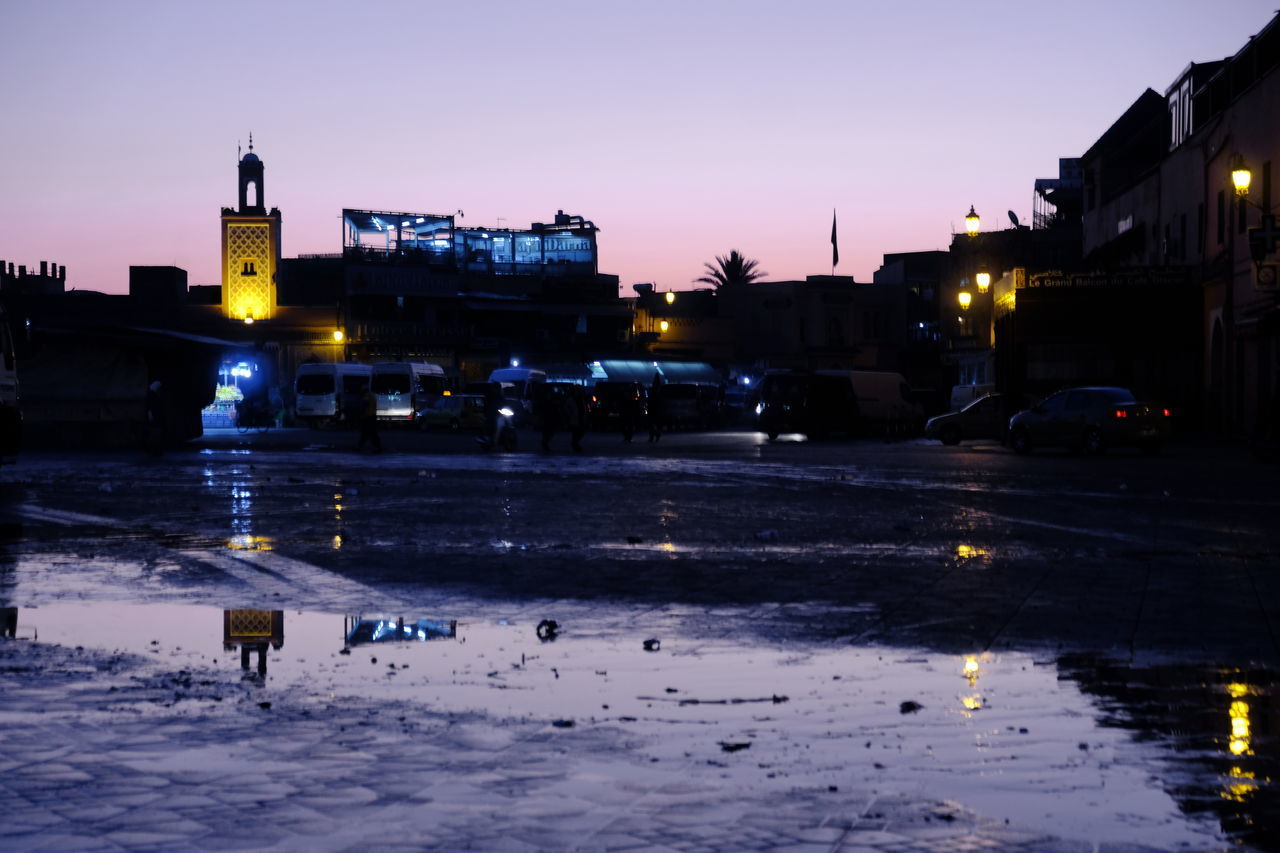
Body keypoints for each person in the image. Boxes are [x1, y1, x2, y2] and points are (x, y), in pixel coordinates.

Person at [356, 385, 382, 452]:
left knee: (368, 433)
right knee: (370, 433)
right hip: (372, 416)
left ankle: (360, 447)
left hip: (367, 417)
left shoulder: (366, 396)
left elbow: (365, 404)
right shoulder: (372, 395)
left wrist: (361, 414)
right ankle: (376, 447)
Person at [144, 380, 165, 455]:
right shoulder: (153, 396)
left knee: (155, 433)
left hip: (155, 417)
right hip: (155, 417)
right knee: (156, 433)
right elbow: (150, 407)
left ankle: (154, 449)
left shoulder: (152, 394)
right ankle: (155, 450)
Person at [648, 372, 665, 442]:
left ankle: (652, 437)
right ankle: (656, 435)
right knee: (657, 424)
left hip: (653, 408)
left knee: (652, 424)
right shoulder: (661, 389)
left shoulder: (653, 390)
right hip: (658, 409)